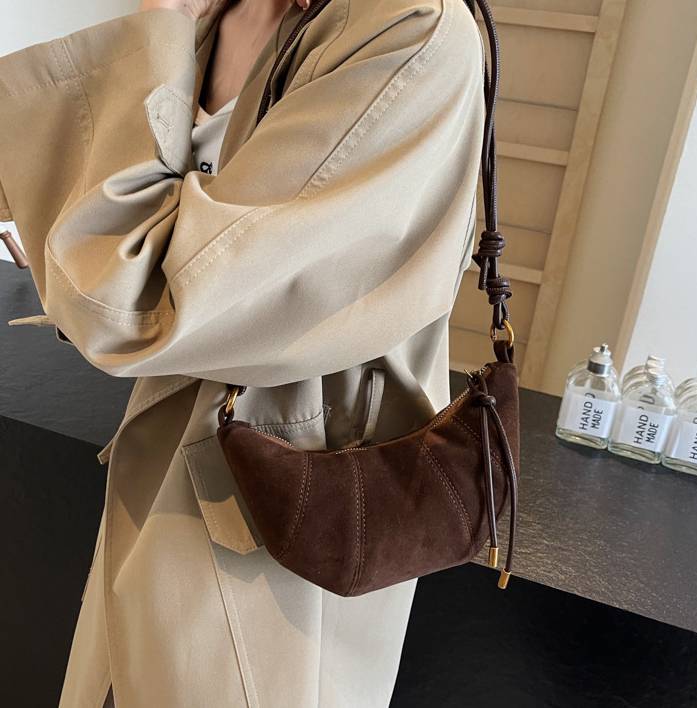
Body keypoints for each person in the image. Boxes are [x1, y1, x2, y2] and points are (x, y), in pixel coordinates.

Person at [0, 0, 488, 705]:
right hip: (168, 468)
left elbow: (135, 302)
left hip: (277, 518)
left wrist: (158, 27)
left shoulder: (407, 29)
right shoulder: (220, 13)